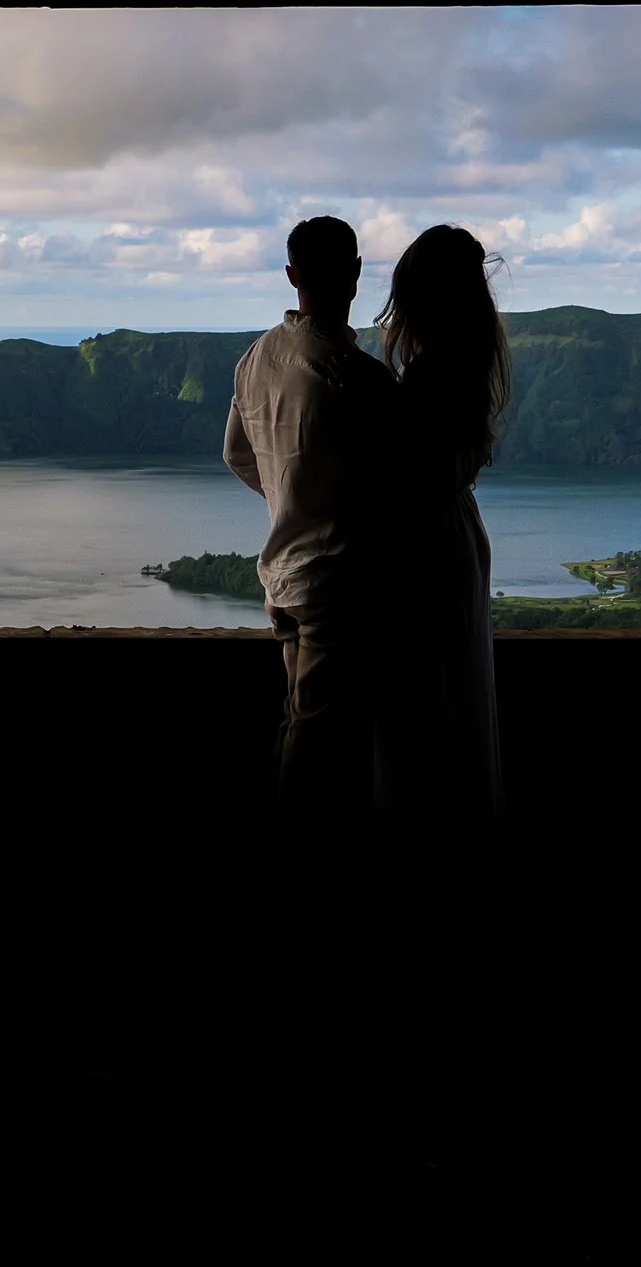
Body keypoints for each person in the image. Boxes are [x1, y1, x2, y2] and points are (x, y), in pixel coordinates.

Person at [224, 216, 400, 854]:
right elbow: (404, 485)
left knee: (303, 719)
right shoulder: (358, 377)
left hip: (282, 576)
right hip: (339, 583)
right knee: (323, 736)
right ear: (355, 273)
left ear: (292, 276)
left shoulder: (256, 358)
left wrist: (291, 501)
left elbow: (238, 456)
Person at [366, 223, 508, 861]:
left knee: (424, 710)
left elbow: (404, 487)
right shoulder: (463, 363)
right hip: (453, 542)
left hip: (425, 553)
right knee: (457, 702)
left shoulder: (426, 378)